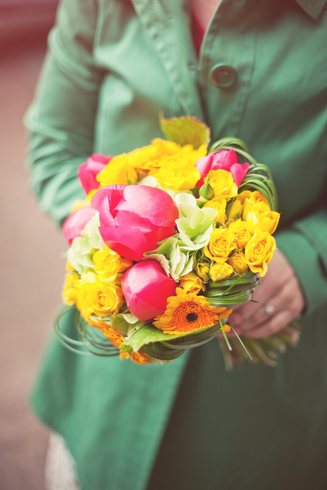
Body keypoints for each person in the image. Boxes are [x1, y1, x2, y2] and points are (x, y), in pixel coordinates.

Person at [25, 0, 327, 489]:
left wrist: (312, 253)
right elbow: (54, 143)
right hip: (108, 381)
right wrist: (101, 234)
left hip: (271, 404)